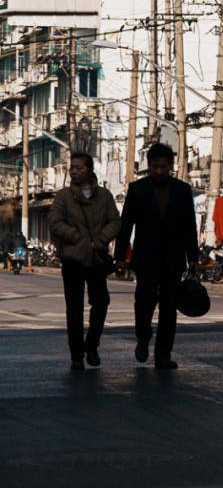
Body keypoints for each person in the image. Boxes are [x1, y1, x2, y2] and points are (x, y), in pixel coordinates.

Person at [115, 142, 199, 370]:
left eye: (163, 166)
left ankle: (163, 354)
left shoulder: (182, 190)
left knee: (169, 309)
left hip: (173, 259)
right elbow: (126, 225)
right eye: (154, 167)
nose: (158, 171)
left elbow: (189, 225)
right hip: (145, 259)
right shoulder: (137, 189)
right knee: (143, 304)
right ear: (148, 166)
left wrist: (194, 256)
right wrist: (120, 256)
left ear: (171, 166)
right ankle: (143, 339)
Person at [48, 152, 120, 371]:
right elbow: (54, 222)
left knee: (101, 302)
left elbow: (115, 222)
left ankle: (92, 344)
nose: (74, 171)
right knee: (74, 308)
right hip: (72, 259)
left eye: (78, 167)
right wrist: (77, 238)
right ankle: (76, 355)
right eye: (72, 168)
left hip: (96, 258)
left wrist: (100, 240)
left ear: (89, 170)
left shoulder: (105, 196)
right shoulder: (64, 197)